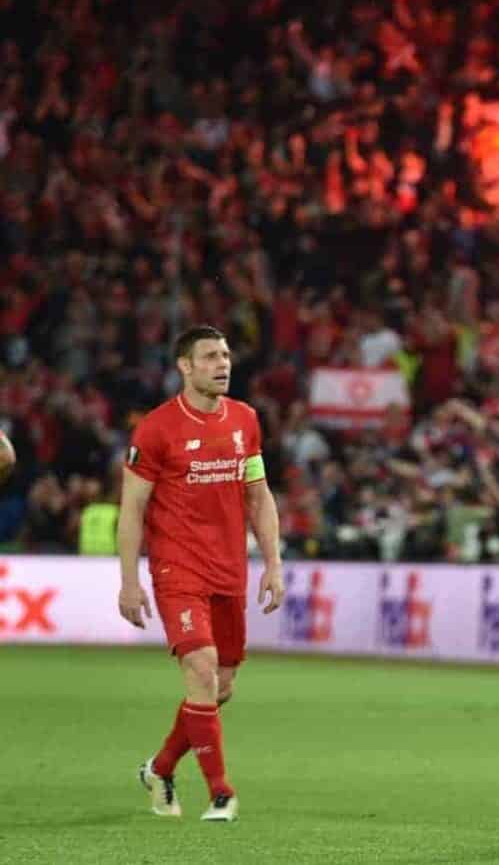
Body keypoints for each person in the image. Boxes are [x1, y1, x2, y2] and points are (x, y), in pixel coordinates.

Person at [117, 326, 286, 822]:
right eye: (210, 356)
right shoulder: (155, 429)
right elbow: (132, 511)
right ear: (185, 367)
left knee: (221, 685)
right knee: (202, 667)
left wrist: (273, 562)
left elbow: (259, 495)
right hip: (177, 568)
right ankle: (221, 792)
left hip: (228, 569)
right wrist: (129, 580)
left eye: (226, 355)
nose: (223, 364)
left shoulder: (245, 421)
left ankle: (161, 767)